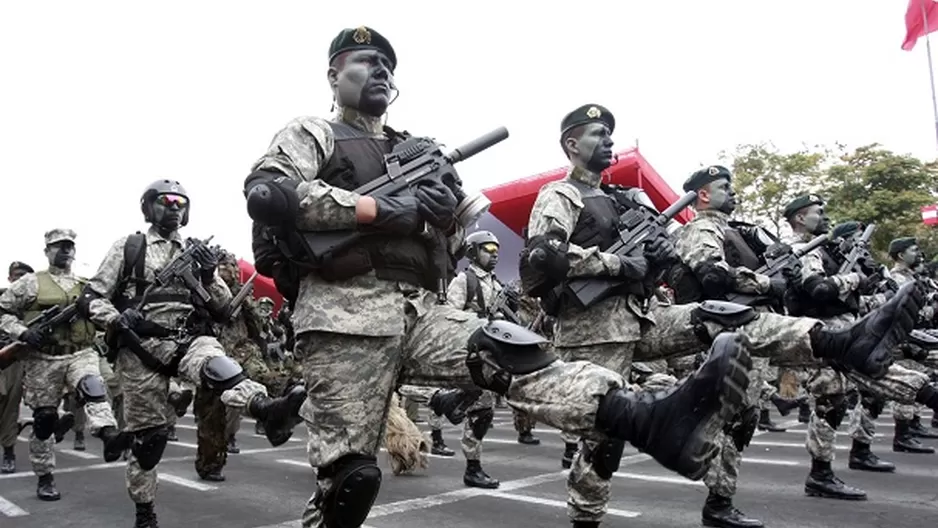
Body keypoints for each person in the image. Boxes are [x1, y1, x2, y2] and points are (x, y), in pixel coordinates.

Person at [243, 28, 756, 528]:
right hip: (343, 314)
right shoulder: (314, 132)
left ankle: (649, 419)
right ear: (333, 74)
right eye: (364, 61)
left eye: (388, 64)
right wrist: (381, 207)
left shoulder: (415, 149)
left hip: (420, 308)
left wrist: (440, 219)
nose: (380, 69)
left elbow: (439, 250)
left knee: (512, 350)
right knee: (348, 483)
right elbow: (270, 194)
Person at [524, 103, 925, 528]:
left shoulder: (621, 198)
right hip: (592, 330)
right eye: (596, 134)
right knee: (603, 441)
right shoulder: (561, 194)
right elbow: (544, 255)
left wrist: (655, 259)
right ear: (571, 144)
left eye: (609, 134)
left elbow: (660, 269)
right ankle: (585, 520)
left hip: (641, 316)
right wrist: (621, 265)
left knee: (724, 316)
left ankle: (834, 340)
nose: (607, 141)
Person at [78, 179, 305, 527]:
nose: (173, 207)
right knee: (149, 441)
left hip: (187, 338)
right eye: (166, 200)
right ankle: (145, 511)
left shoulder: (196, 251)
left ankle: (267, 410)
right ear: (149, 206)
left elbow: (222, 308)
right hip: (140, 347)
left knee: (219, 366)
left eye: (180, 203)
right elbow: (92, 296)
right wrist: (117, 318)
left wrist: (208, 272)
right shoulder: (130, 247)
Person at [0, 229, 122, 501]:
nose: (65, 251)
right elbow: (3, 310)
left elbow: (101, 310)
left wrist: (117, 320)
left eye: (69, 246)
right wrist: (22, 332)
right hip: (43, 358)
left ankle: (109, 433)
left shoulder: (85, 285)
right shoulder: (30, 283)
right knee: (44, 419)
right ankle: (45, 476)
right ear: (47, 251)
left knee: (93, 386)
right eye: (58, 246)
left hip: (80, 352)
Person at [0, 261, 33, 474]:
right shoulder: (2, 298)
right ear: (10, 278)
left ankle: (9, 451)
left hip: (15, 362)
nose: (20, 279)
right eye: (17, 275)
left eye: (24, 275)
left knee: (10, 407)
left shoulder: (32, 303)